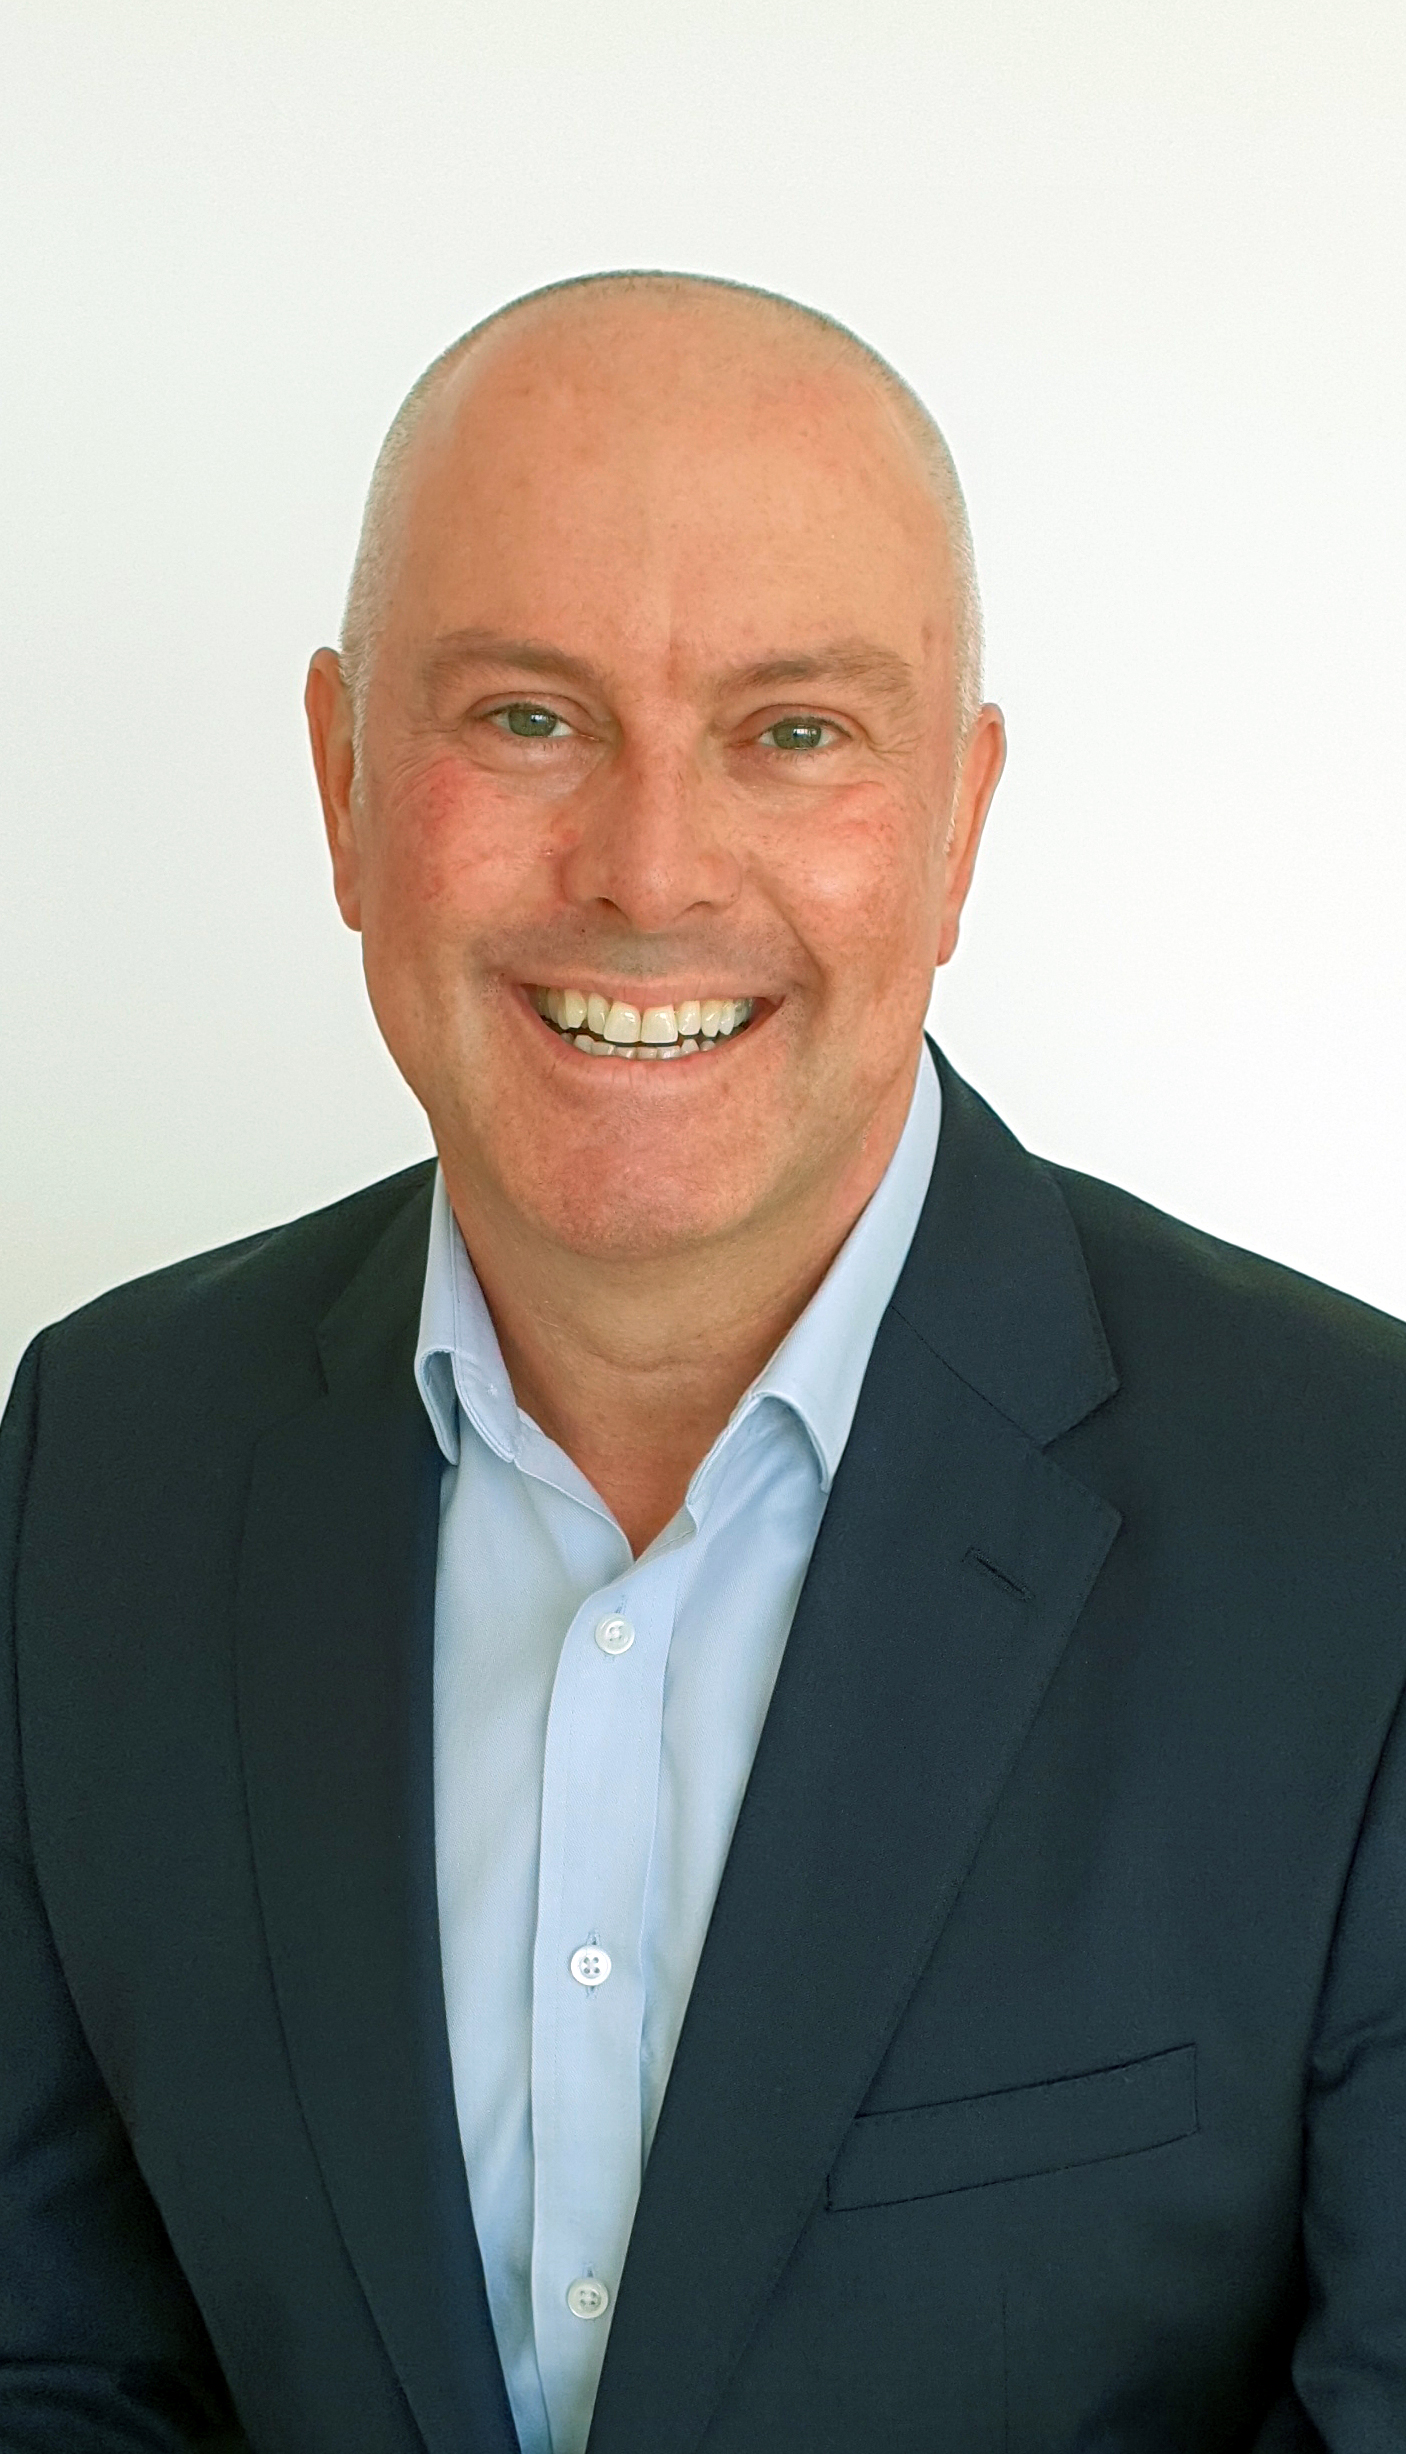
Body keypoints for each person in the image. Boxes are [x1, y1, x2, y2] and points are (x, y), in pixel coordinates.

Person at [2, 269, 1404, 2454]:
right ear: (342, 777)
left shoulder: (1358, 1524)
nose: (648, 870)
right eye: (526, 718)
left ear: (957, 821)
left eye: (793, 732)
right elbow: (53, 2368)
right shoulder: (98, 1462)